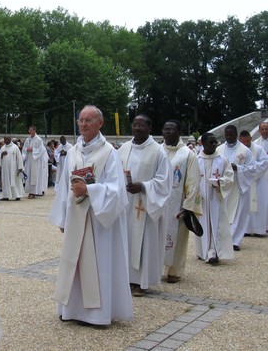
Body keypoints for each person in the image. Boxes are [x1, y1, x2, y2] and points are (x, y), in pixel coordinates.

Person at [49, 105, 133, 326]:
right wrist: (63, 217)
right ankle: (71, 309)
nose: (83, 125)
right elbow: (62, 186)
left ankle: (97, 314)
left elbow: (117, 190)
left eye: (88, 121)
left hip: (98, 220)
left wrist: (90, 190)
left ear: (100, 124)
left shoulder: (110, 153)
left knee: (97, 263)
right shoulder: (74, 152)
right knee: (73, 262)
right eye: (81, 121)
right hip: (76, 216)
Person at [118, 114, 172, 296]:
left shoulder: (158, 151)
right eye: (135, 125)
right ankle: (125, 278)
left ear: (150, 128)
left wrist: (143, 186)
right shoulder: (124, 148)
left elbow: (164, 181)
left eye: (141, 125)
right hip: (126, 205)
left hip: (147, 204)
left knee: (144, 242)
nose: (137, 128)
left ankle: (142, 282)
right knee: (126, 240)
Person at [162, 120, 202, 283]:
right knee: (157, 236)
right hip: (158, 203)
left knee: (177, 238)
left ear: (179, 132)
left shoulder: (188, 154)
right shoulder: (158, 151)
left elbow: (193, 180)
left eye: (171, 129)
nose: (167, 132)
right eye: (165, 129)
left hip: (178, 204)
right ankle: (155, 268)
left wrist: (189, 205)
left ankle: (174, 270)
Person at [196, 132, 235, 264]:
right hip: (201, 198)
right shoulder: (197, 159)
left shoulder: (222, 160)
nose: (214, 144)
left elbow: (229, 177)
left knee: (216, 224)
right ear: (203, 143)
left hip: (216, 197)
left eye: (215, 142)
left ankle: (214, 251)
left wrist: (220, 182)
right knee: (203, 223)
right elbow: (191, 179)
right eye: (211, 142)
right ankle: (203, 251)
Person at [216, 125, 254, 251]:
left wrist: (238, 168)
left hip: (239, 185)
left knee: (238, 213)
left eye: (231, 135)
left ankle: (235, 241)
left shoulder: (245, 150)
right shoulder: (219, 149)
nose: (228, 137)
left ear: (236, 134)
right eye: (226, 135)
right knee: (224, 212)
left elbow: (252, 168)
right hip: (225, 185)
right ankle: (223, 239)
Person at [240, 130, 268, 236]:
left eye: (247, 141)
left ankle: (259, 229)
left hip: (258, 181)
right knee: (245, 206)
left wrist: (251, 170)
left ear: (251, 139)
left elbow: (265, 163)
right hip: (245, 182)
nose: (246, 143)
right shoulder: (240, 150)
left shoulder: (258, 149)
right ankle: (246, 230)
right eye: (243, 142)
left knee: (260, 204)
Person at [22, 125, 46, 199]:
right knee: (29, 175)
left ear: (34, 131)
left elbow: (42, 150)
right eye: (29, 130)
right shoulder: (27, 139)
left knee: (34, 175)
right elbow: (24, 148)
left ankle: (34, 192)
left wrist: (33, 150)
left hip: (35, 160)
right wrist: (26, 150)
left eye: (31, 130)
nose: (29, 132)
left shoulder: (38, 139)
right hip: (29, 160)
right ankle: (29, 191)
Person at [0, 135, 25, 201]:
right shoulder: (3, 148)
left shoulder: (15, 147)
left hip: (14, 168)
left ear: (10, 139)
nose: (5, 141)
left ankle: (17, 195)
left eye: (6, 139)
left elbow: (19, 157)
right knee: (6, 181)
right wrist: (2, 154)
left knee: (15, 181)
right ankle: (6, 196)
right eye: (4, 139)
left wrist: (20, 167)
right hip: (5, 169)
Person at [253, 121, 268, 233]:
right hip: (262, 177)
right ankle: (260, 226)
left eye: (266, 129)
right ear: (259, 131)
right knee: (262, 201)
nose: (264, 131)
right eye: (262, 129)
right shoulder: (255, 144)